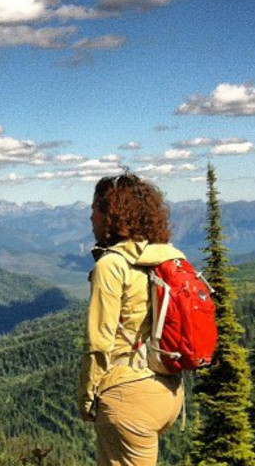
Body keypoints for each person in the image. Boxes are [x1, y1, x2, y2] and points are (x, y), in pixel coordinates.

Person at [77, 173, 184, 466]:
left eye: (96, 208)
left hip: (128, 396)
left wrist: (87, 398)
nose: (91, 217)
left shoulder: (111, 265)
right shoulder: (164, 256)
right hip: (168, 390)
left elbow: (99, 343)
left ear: (111, 214)